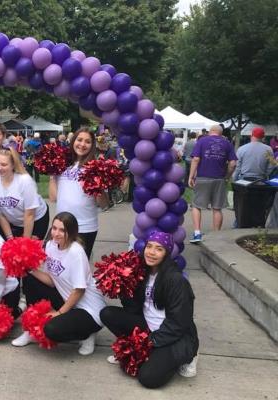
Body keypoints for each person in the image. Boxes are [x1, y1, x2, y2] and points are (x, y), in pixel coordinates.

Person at [100, 231, 199, 388]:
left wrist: (151, 341)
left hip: (174, 336)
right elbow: (133, 310)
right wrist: (124, 287)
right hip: (147, 327)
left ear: (166, 253)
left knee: (148, 378)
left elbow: (178, 323)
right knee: (107, 314)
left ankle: (187, 357)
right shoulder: (141, 272)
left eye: (159, 249)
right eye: (149, 246)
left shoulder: (176, 280)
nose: (151, 252)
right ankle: (151, 354)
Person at [11, 212, 106, 354]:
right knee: (30, 277)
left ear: (72, 232)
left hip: (88, 309)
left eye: (62, 230)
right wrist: (30, 270)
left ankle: (87, 333)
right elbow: (51, 281)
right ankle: (31, 330)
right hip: (66, 299)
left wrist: (60, 312)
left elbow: (79, 290)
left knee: (52, 330)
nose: (56, 233)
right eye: (54, 228)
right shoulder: (51, 245)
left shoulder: (76, 253)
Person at [49, 129, 109, 259]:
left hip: (85, 227)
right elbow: (53, 198)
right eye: (79, 140)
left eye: (87, 142)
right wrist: (52, 175)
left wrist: (98, 187)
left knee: (78, 271)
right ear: (73, 141)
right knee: (59, 267)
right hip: (61, 226)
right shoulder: (62, 163)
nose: (82, 144)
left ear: (92, 146)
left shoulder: (97, 167)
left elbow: (104, 204)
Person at [188, 124, 237, 243]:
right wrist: (227, 177)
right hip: (219, 179)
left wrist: (191, 176)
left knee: (196, 206)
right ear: (221, 133)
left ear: (210, 131)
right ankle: (216, 237)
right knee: (217, 208)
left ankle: (197, 234)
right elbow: (233, 164)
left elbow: (195, 159)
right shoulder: (227, 143)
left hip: (203, 177)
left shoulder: (202, 141)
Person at [0, 148, 49, 240]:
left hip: (36, 219)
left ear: (13, 165)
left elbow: (30, 214)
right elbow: (1, 214)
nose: (0, 168)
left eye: (4, 165)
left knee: (29, 250)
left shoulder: (25, 181)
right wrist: (9, 238)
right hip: (15, 222)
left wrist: (25, 241)